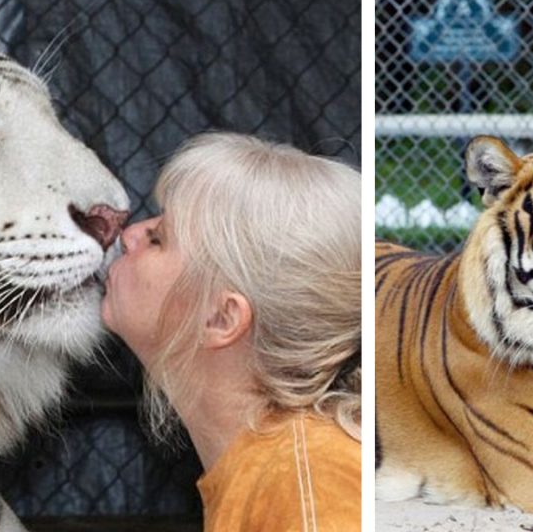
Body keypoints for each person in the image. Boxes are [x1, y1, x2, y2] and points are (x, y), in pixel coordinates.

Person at [101, 132, 361, 531]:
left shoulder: (311, 487)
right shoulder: (279, 467)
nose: (130, 235)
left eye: (158, 238)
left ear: (222, 319)